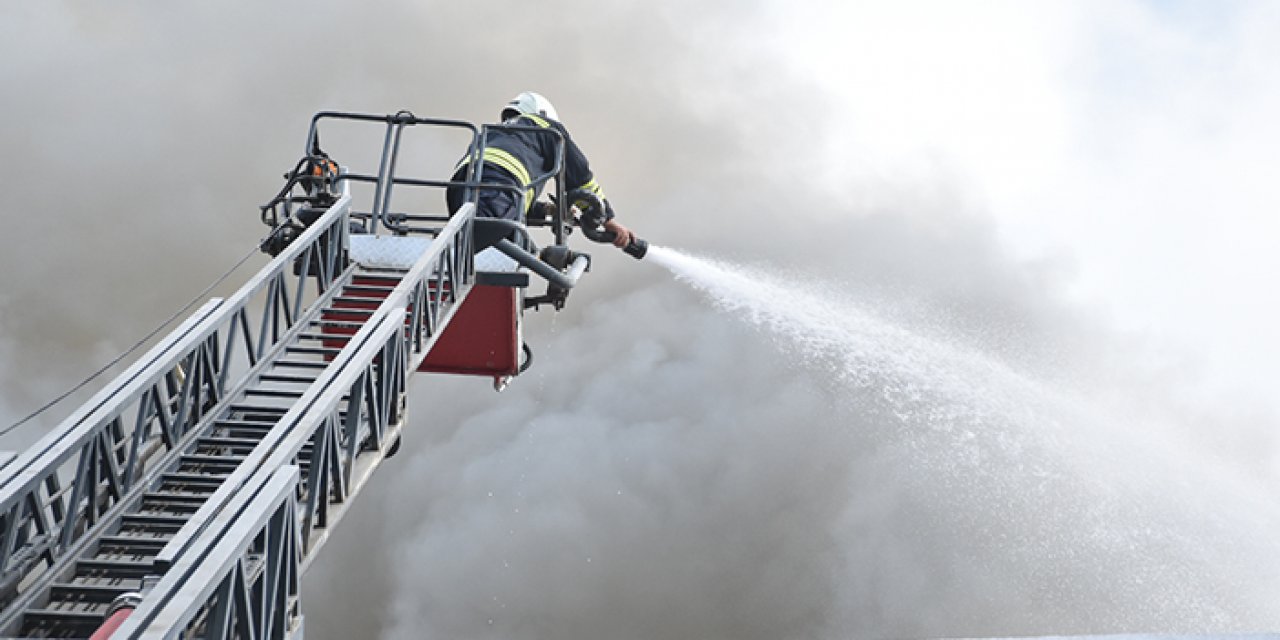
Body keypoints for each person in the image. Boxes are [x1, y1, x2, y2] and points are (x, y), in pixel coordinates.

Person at [446, 91, 635, 248]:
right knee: (476, 244)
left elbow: (505, 202)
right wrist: (607, 221)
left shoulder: (494, 132)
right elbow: (579, 176)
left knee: (516, 250)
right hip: (500, 184)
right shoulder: (546, 127)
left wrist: (547, 210)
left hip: (462, 187)